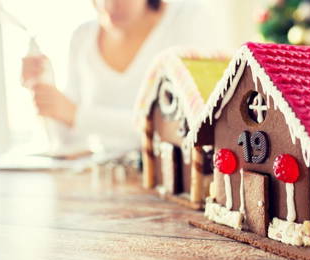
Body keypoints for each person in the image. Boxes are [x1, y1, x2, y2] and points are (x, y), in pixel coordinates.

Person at [22, 0, 225, 157]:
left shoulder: (187, 20)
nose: (110, 4)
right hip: (105, 186)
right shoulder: (82, 37)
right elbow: (67, 143)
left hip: (171, 182)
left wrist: (77, 115)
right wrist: (44, 85)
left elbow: (184, 128)